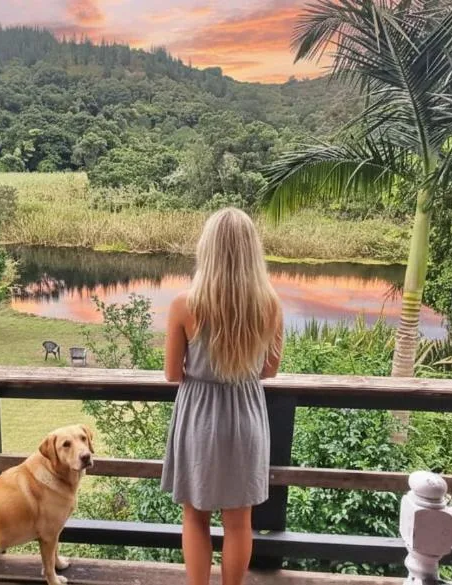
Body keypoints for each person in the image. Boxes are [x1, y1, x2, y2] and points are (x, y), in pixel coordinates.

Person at [161, 207, 283, 585]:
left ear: (207, 249)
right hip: (246, 414)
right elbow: (269, 370)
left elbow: (171, 373)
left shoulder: (185, 305)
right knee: (239, 520)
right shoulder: (269, 305)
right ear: (252, 251)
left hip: (198, 413)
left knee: (195, 516)